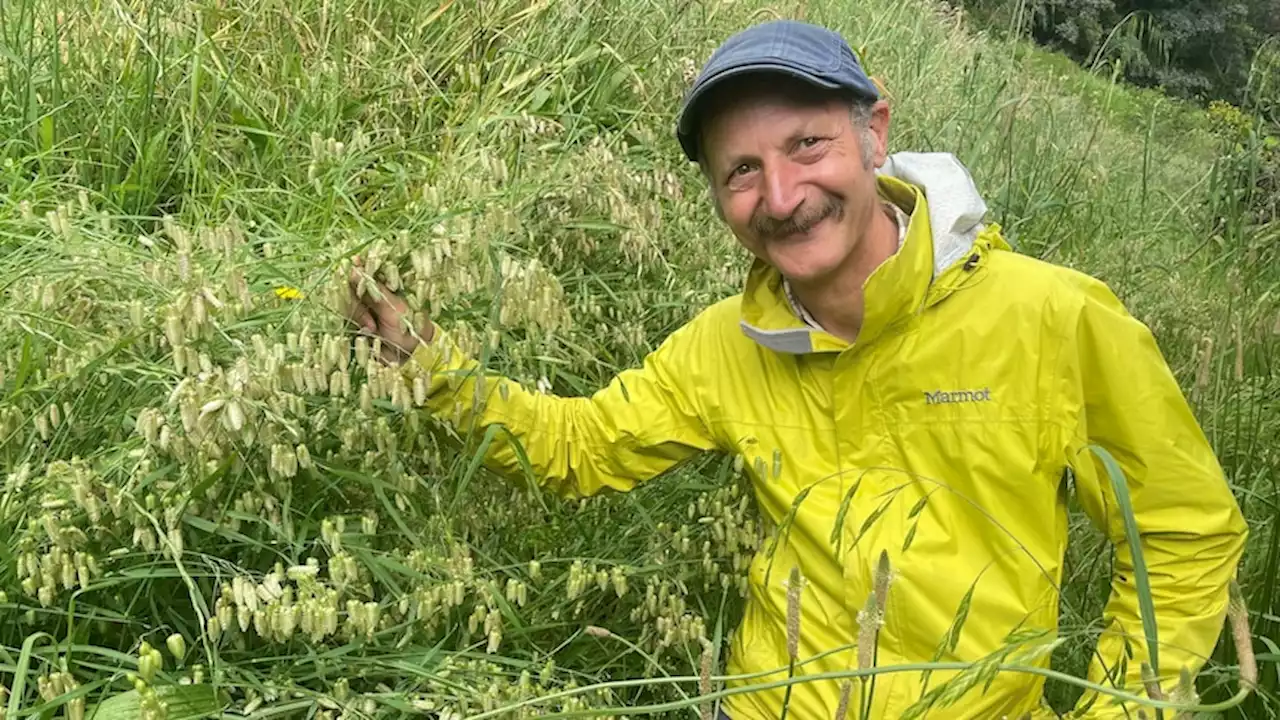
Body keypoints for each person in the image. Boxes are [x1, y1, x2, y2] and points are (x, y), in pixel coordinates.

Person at [345, 19, 1248, 719]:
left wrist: (1115, 707)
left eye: (806, 146)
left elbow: (1181, 532)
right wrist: (433, 368)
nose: (780, 197)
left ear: (874, 133)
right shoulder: (725, 343)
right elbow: (580, 448)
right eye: (741, 171)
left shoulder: (1054, 316)